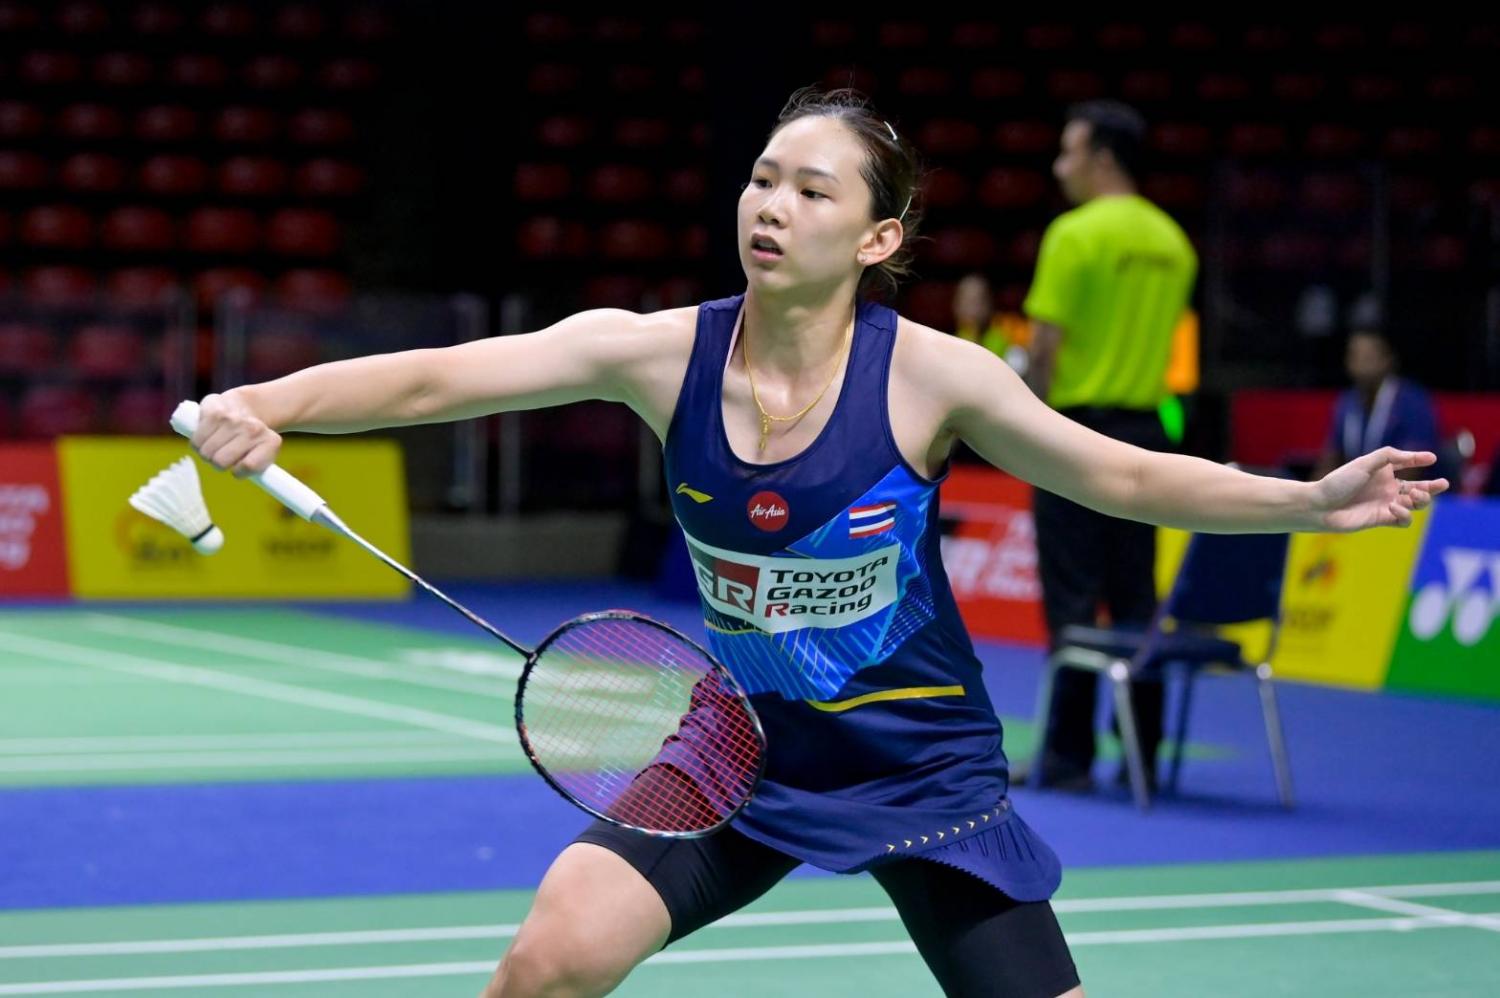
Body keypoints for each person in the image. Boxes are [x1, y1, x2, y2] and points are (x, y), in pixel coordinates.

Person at [187, 87, 1446, 998]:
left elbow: (1117, 470)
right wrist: (270, 404)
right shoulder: (659, 351)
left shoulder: (932, 380)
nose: (771, 205)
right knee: (548, 958)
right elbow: (440, 379)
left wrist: (1306, 500)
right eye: (761, 177)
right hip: (738, 746)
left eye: (811, 188)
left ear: (880, 238)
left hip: (918, 762)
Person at [1019, 100, 1199, 792]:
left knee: (1072, 598)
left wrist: (1027, 417)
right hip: (1149, 437)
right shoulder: (1174, 243)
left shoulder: (1073, 234)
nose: (1060, 167)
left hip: (1076, 433)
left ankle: (1066, 758)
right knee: (1135, 599)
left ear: (1101, 159)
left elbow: (1045, 346)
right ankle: (1143, 755)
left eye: (1068, 153)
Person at [1314, 328, 1441, 481]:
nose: (1360, 364)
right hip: (1356, 494)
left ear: (1388, 360)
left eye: (1368, 357)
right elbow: (1331, 459)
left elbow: (1413, 465)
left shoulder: (1413, 403)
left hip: (1408, 496)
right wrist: (1314, 494)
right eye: (1354, 356)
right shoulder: (1345, 403)